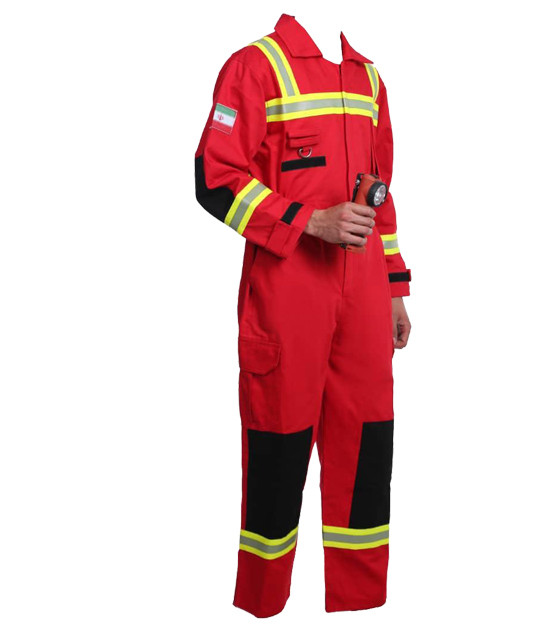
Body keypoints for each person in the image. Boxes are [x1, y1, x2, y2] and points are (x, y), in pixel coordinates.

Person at [194, 12, 412, 618]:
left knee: (366, 443)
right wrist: (308, 221)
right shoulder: (255, 67)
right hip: (289, 288)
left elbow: (380, 193)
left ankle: (361, 600)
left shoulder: (368, 77)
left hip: (364, 292)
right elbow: (214, 179)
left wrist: (393, 287)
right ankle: (263, 603)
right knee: (279, 444)